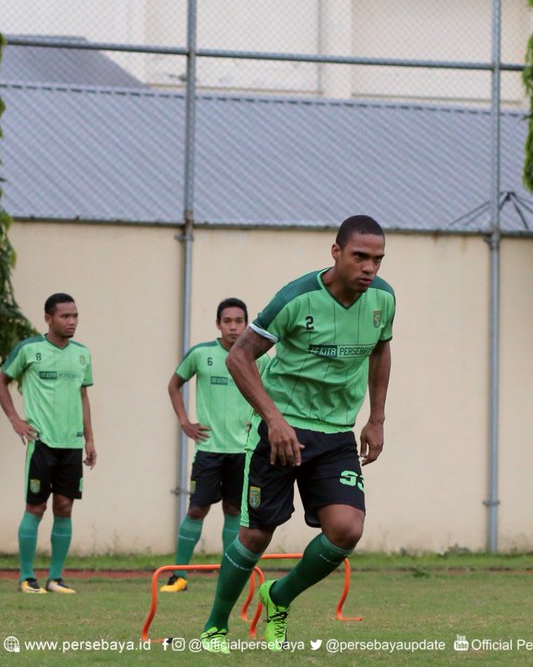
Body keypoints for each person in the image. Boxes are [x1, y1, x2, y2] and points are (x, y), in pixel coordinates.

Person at [199, 215, 395, 653]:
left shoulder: (383, 299)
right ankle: (215, 626)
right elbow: (239, 359)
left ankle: (278, 596)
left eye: (377, 260)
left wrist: (377, 418)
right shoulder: (295, 298)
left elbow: (381, 351)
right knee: (256, 536)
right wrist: (273, 419)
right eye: (360, 257)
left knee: (346, 529)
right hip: (281, 430)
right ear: (336, 252)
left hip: (336, 433)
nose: (369, 269)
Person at [160, 298, 269, 593]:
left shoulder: (259, 357)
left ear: (247, 324)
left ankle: (227, 576)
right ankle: (178, 576)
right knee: (197, 510)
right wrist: (185, 421)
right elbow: (174, 384)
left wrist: (261, 419)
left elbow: (274, 392)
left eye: (239, 321)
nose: (233, 327)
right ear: (218, 324)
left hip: (243, 451)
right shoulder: (201, 354)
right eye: (227, 321)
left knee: (234, 512)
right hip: (209, 450)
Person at [0, 293, 96, 594]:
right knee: (36, 507)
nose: (72, 321)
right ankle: (27, 577)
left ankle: (55, 578)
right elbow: (0, 382)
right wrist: (15, 419)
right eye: (65, 316)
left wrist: (90, 439)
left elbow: (83, 396)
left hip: (71, 444)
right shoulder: (29, 350)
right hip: (42, 443)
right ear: (48, 318)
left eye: (75, 315)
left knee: (64, 507)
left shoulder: (82, 354)